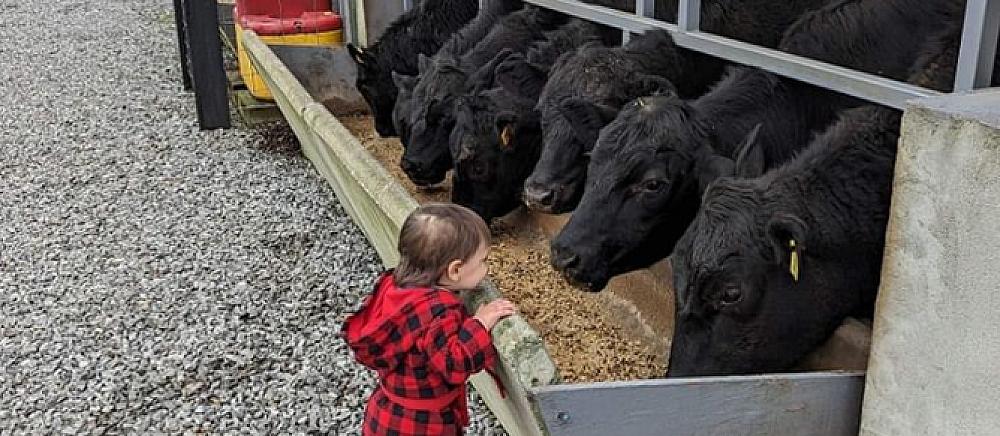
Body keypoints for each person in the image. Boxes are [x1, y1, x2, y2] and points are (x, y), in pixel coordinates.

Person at [342, 203, 517, 435]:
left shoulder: (394, 287)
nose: (486, 268)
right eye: (482, 261)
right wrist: (480, 323)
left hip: (387, 412)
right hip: (421, 425)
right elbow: (453, 364)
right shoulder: (439, 311)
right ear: (454, 271)